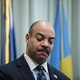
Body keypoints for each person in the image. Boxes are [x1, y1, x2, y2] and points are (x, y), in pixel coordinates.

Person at [0, 20, 70, 80]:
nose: (46, 44)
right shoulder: (5, 73)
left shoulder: (63, 78)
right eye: (39, 38)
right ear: (27, 38)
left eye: (50, 41)